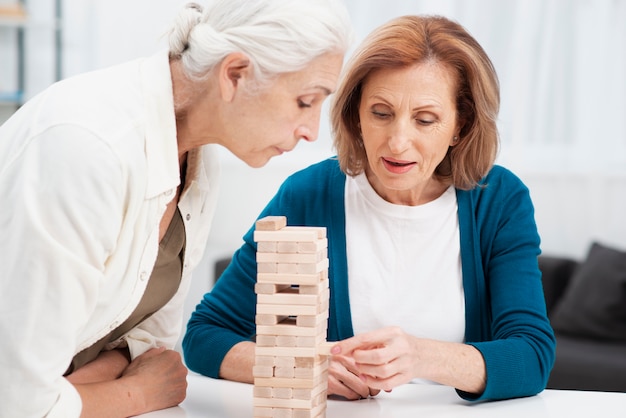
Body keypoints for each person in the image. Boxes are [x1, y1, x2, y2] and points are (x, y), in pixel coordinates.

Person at [0, 0, 353, 416]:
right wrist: (137, 393)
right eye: (305, 101)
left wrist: (81, 390)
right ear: (234, 75)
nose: (310, 132)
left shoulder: (197, 160)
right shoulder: (88, 148)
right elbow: (19, 402)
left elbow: (154, 354)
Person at [182, 15, 556, 402]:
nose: (397, 142)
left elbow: (532, 356)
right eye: (381, 113)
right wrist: (302, 367)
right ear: (356, 115)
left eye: (425, 120)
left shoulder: (499, 199)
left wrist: (421, 356)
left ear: (460, 126)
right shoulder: (308, 195)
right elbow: (205, 336)